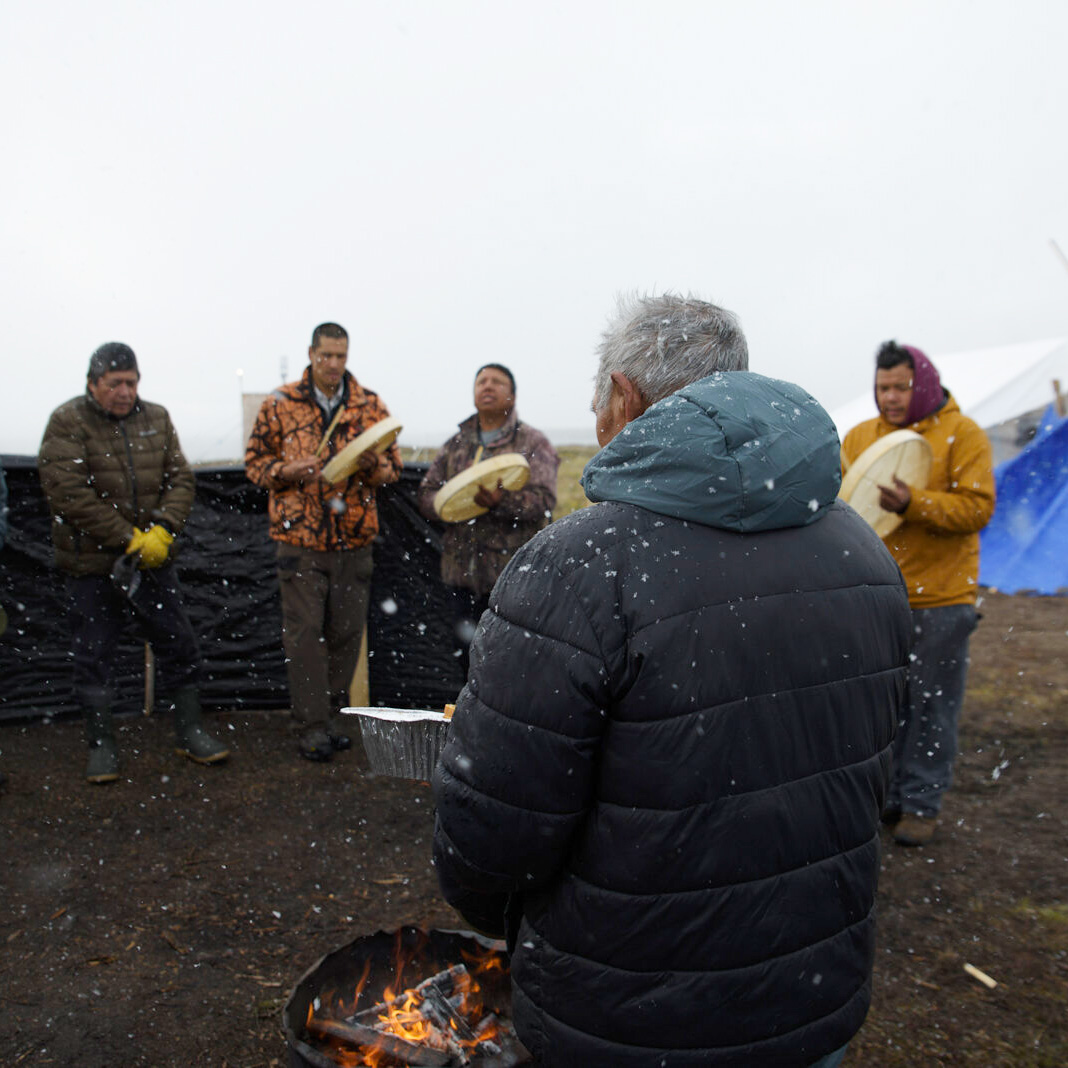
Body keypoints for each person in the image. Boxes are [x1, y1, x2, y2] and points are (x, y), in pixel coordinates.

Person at [432, 294, 913, 1067]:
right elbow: (876, 756)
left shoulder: (579, 567)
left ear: (622, 397)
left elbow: (496, 836)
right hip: (810, 995)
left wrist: (500, 909)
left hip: (628, 1020)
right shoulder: (861, 549)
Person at [37, 342, 229, 784]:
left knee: (179, 644)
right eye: (115, 383)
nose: (125, 392)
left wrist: (162, 529)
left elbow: (180, 477)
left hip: (154, 563)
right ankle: (101, 745)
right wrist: (129, 538)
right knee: (94, 654)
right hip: (93, 567)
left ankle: (189, 729)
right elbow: (67, 492)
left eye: (132, 382)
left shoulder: (157, 418)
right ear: (93, 384)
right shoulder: (67, 421)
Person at [842, 341, 995, 847]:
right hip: (880, 594)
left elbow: (977, 508)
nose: (891, 398)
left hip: (943, 598)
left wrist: (915, 503)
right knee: (883, 705)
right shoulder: (863, 437)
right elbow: (845, 506)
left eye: (901, 387)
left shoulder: (962, 435)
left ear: (922, 383)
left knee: (932, 706)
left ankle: (922, 804)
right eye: (883, 388)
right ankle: (886, 796)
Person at [245, 322, 402, 762]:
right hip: (300, 541)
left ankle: (331, 717)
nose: (333, 364)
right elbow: (255, 465)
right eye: (326, 355)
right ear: (311, 354)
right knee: (304, 634)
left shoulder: (370, 405)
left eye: (341, 356)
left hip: (354, 540)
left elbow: (393, 468)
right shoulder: (279, 404)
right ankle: (311, 725)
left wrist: (372, 467)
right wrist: (286, 472)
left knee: (346, 634)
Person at [417, 364, 559, 666]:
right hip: (460, 576)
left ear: (513, 395)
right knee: (465, 663)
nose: (488, 386)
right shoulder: (456, 444)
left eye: (497, 382)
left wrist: (501, 502)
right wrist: (449, 506)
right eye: (481, 381)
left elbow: (544, 502)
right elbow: (427, 494)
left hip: (511, 579)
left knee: (508, 662)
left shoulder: (532, 443)